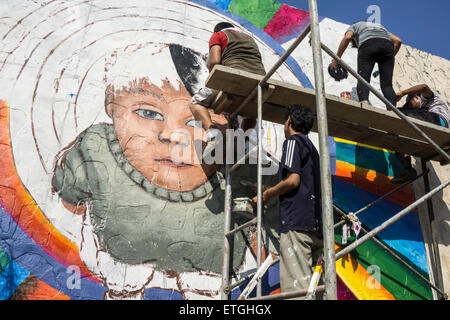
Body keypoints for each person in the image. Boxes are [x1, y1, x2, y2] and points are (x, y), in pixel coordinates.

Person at [51, 43, 279, 299]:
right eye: (147, 112)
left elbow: (266, 234)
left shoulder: (237, 165)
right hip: (118, 263)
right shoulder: (97, 150)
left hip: (210, 270)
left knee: (206, 292)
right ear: (112, 108)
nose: (171, 135)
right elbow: (70, 197)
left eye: (194, 122)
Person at [252, 105, 323, 297]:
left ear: (289, 121)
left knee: (296, 291)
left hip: (296, 223)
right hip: (316, 226)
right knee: (317, 291)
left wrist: (266, 195)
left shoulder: (293, 142)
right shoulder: (313, 149)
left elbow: (293, 180)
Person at [189, 21, 266, 151]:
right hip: (259, 82)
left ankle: (213, 134)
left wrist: (215, 80)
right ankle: (241, 140)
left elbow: (214, 62)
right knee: (251, 111)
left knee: (195, 103)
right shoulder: (250, 39)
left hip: (233, 78)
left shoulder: (218, 35)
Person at [330, 21, 402, 107]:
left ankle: (364, 103)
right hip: (387, 47)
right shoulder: (379, 27)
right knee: (387, 85)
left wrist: (336, 59)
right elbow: (398, 41)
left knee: (363, 78)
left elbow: (347, 37)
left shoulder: (354, 26)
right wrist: (387, 60)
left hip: (368, 45)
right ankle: (392, 111)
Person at [391, 84, 450, 183]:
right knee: (399, 142)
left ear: (417, 97)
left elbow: (424, 87)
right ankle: (408, 169)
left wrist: (402, 93)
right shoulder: (422, 113)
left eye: (410, 104)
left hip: (438, 122)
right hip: (433, 137)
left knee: (399, 113)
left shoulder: (429, 99)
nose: (411, 108)